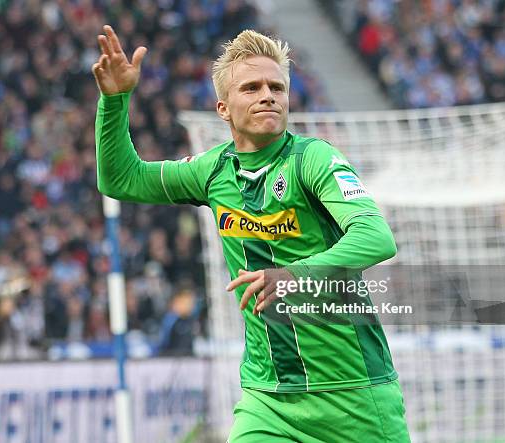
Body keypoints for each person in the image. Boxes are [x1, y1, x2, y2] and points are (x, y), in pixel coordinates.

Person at [93, 25, 411, 442]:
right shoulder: (212, 170)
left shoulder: (313, 159)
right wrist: (115, 101)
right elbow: (121, 179)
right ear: (223, 108)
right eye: (252, 87)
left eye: (277, 87)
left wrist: (294, 275)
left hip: (353, 396)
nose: (268, 95)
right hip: (269, 402)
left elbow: (376, 237)